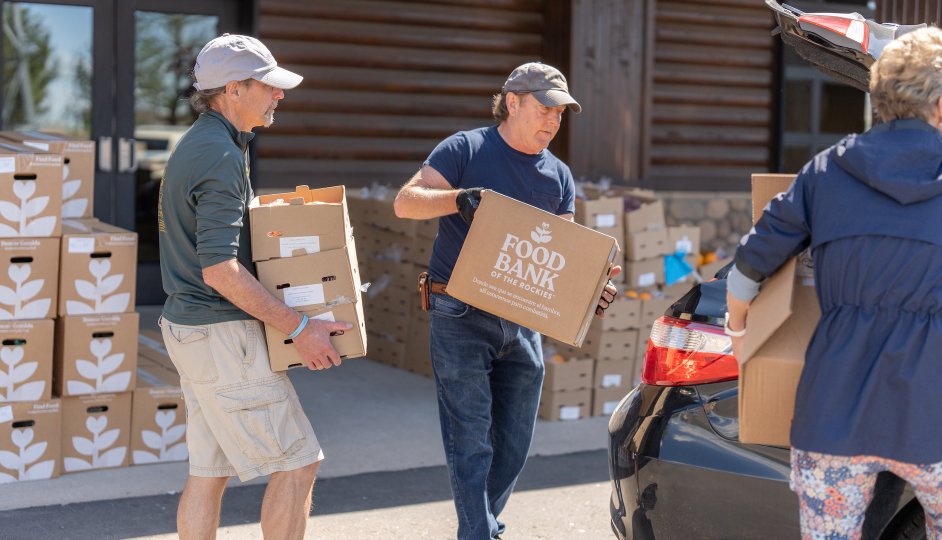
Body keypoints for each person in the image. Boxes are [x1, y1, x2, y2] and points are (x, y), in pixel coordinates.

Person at [726, 27, 942, 539]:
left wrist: (741, 333)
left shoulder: (826, 171)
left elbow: (748, 268)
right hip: (940, 416)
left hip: (834, 411)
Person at [394, 62, 620, 540]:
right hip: (459, 315)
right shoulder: (465, 148)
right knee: (471, 442)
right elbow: (406, 202)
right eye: (544, 109)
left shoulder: (558, 174)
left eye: (560, 114)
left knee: (514, 445)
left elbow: (558, 256)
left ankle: (483, 526)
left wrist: (588, 290)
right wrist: (460, 199)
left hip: (522, 323)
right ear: (512, 102)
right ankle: (478, 533)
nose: (553, 122)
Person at [157, 34, 352, 540]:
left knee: (209, 472)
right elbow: (219, 270)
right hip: (222, 339)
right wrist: (301, 326)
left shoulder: (203, 143)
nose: (279, 95)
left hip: (191, 333)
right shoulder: (220, 154)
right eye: (269, 86)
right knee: (297, 463)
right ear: (234, 89)